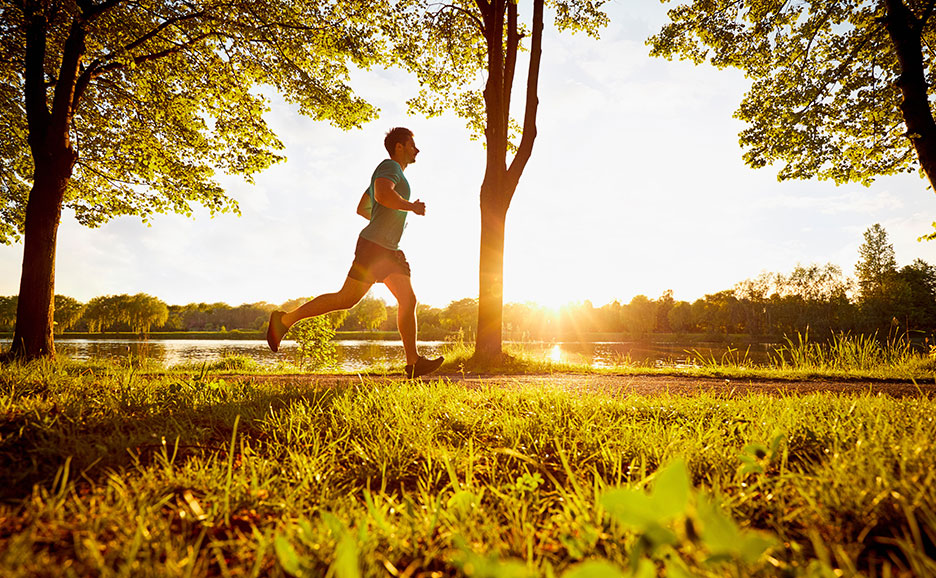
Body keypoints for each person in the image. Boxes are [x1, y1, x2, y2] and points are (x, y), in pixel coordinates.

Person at [266, 127, 444, 379]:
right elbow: (382, 194)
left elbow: (363, 207)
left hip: (386, 248)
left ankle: (413, 362)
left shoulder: (392, 174)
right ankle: (283, 321)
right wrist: (410, 207)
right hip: (376, 247)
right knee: (346, 299)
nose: (417, 150)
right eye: (412, 145)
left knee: (396, 300)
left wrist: (386, 216)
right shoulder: (390, 167)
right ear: (399, 147)